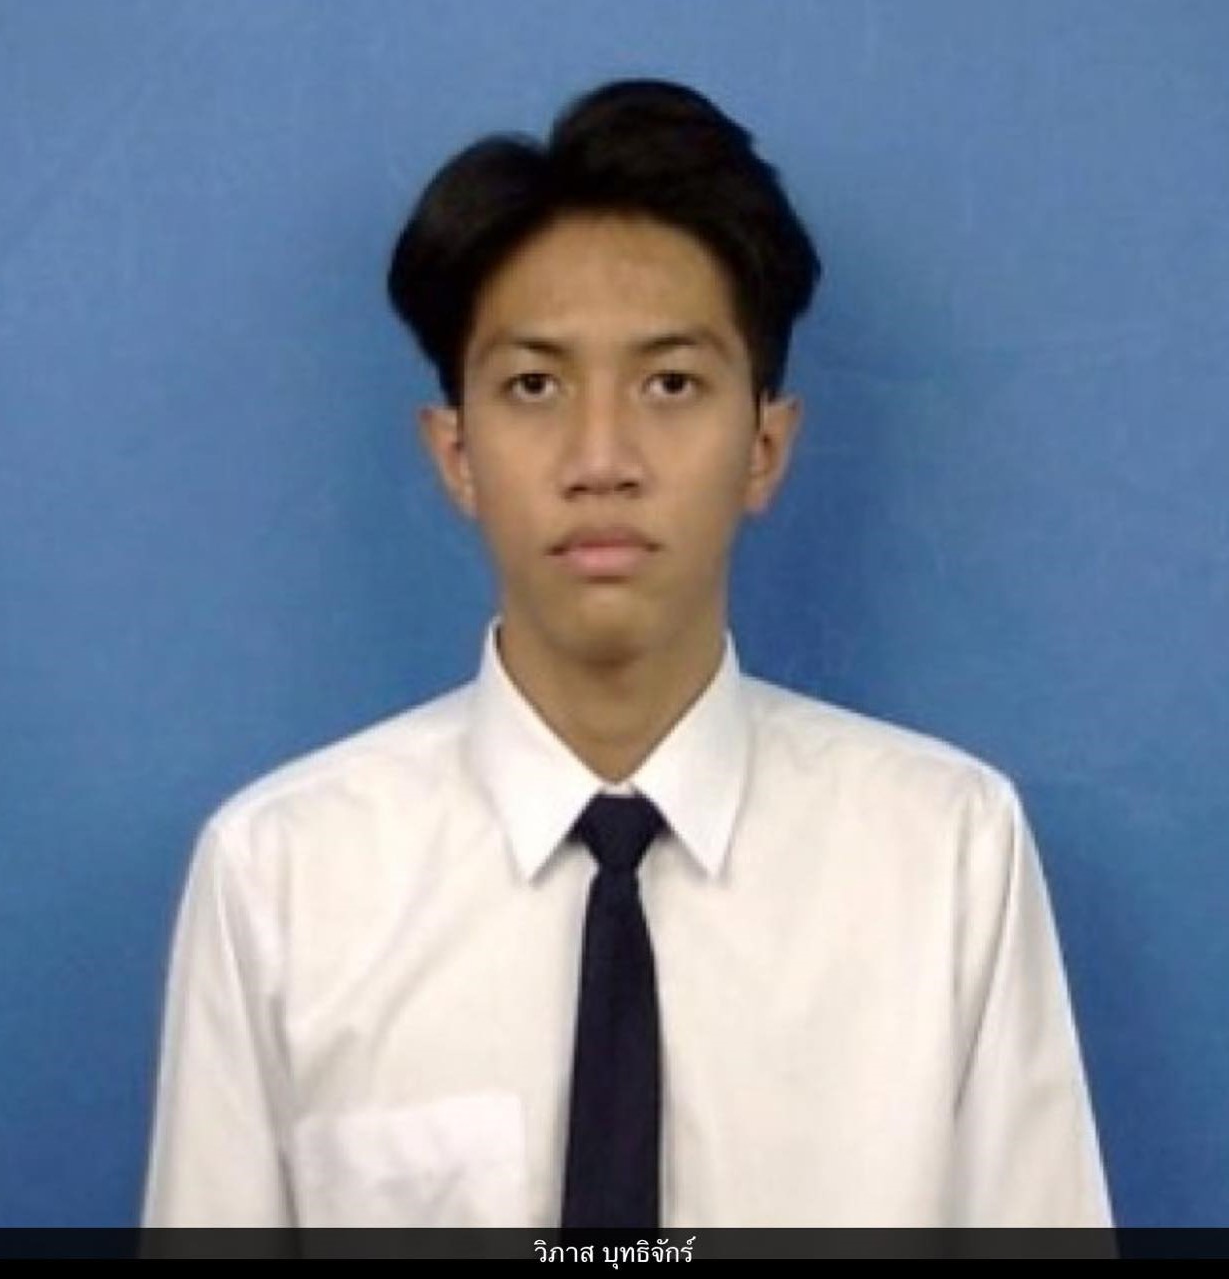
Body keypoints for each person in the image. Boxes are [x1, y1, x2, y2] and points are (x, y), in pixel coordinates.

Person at [142, 79, 1112, 1233]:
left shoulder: (948, 856)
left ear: (763, 447)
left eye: (669, 384)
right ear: (455, 453)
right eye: (534, 386)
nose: (601, 458)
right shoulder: (281, 878)